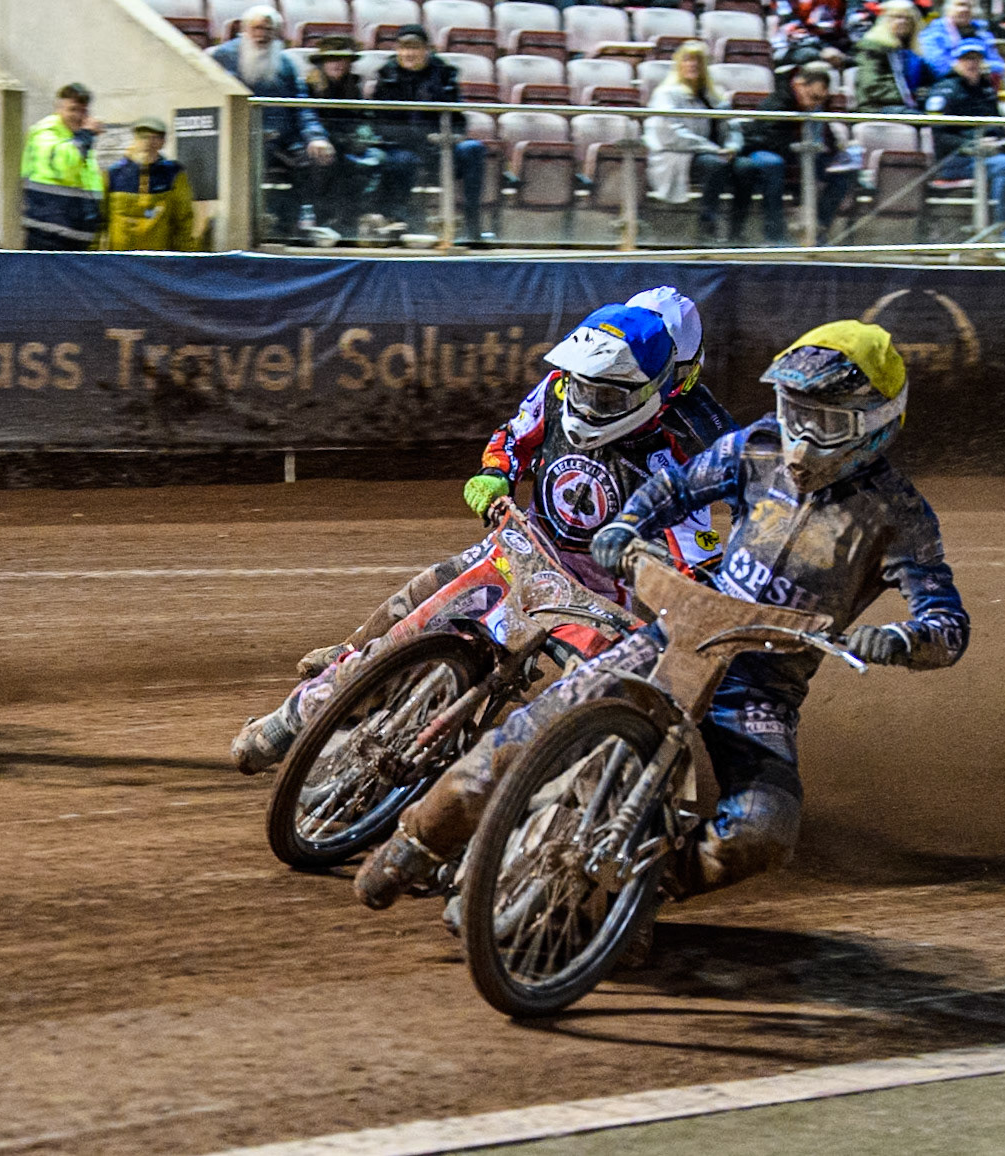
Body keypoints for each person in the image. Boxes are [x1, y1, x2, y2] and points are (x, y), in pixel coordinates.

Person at [354, 320, 970, 917]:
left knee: (764, 831)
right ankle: (414, 843)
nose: (802, 438)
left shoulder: (900, 517)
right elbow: (674, 488)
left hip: (761, 691)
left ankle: (640, 892)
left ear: (877, 426)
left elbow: (946, 623)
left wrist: (900, 639)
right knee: (528, 734)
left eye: (826, 422)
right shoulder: (756, 446)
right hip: (676, 636)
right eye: (794, 411)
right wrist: (627, 525)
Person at [232, 292, 736, 775]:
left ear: (662, 378)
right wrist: (495, 474)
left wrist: (685, 591)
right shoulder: (564, 386)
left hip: (601, 595)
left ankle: (553, 803)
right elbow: (514, 437)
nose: (585, 398)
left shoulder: (687, 449)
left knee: (605, 703)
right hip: (526, 543)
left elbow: (697, 557)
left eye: (603, 393)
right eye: (584, 385)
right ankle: (328, 687)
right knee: (419, 599)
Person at [211, 5, 335, 237]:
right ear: (245, 29)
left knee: (318, 159)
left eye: (269, 29)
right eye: (257, 28)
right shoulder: (224, 57)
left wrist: (317, 138)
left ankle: (297, 224)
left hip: (282, 139)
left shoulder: (285, 63)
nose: (262, 35)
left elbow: (302, 107)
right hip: (240, 138)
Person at [371, 24, 488, 243]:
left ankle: (473, 225)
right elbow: (379, 123)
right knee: (402, 161)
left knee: (473, 150)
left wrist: (452, 136)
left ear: (427, 49)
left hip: (440, 148)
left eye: (414, 48)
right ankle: (400, 225)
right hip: (402, 146)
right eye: (404, 48)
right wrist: (415, 138)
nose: (408, 54)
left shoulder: (444, 75)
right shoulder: (386, 76)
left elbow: (457, 119)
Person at [925, 41, 1005, 241]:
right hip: (957, 160)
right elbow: (940, 135)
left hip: (991, 153)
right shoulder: (945, 90)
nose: (972, 64)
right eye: (967, 59)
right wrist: (973, 146)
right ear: (957, 62)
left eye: (976, 58)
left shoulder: (986, 88)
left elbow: (995, 124)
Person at [734, 61, 853, 244]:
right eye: (814, 97)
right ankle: (774, 236)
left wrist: (835, 154)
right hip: (764, 151)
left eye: (822, 99)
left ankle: (817, 228)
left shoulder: (816, 106)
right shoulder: (777, 102)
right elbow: (767, 138)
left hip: (803, 155)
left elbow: (825, 137)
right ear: (798, 85)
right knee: (773, 164)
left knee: (843, 173)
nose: (817, 104)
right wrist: (797, 148)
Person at [645, 41, 742, 243]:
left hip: (713, 152)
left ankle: (737, 231)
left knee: (747, 168)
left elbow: (733, 126)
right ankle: (707, 224)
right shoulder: (666, 94)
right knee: (715, 165)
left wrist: (733, 146)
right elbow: (672, 135)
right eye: (688, 60)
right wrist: (713, 149)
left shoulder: (714, 96)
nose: (693, 65)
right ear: (679, 64)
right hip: (678, 154)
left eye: (698, 60)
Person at [304, 35, 382, 238]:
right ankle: (324, 223)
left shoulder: (353, 86)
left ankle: (349, 225)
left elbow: (362, 117)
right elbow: (307, 118)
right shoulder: (308, 86)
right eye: (332, 59)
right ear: (322, 62)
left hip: (348, 144)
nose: (338, 64)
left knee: (376, 161)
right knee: (329, 163)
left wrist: (362, 135)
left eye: (343, 59)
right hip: (317, 145)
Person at [21, 82, 105, 250]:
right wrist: (86, 134)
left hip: (76, 238)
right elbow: (65, 165)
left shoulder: (76, 140)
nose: (78, 116)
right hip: (48, 236)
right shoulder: (45, 134)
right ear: (58, 109)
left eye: (83, 111)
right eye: (73, 109)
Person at [101, 116, 198, 252]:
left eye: (155, 137)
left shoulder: (174, 174)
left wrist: (188, 257)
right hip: (121, 263)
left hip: (159, 263)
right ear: (135, 139)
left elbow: (184, 221)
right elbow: (100, 221)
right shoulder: (113, 174)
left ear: (162, 142)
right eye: (143, 137)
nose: (148, 142)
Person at [855, 0, 932, 111]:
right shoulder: (872, 47)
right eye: (897, 17)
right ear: (885, 20)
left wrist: (924, 95)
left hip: (908, 106)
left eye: (907, 18)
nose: (902, 22)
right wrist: (908, 96)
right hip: (877, 107)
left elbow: (926, 82)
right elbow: (871, 85)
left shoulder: (912, 51)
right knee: (923, 119)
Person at [919, 0, 1005, 82]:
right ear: (947, 9)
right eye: (960, 5)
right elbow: (938, 67)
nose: (965, 9)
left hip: (978, 88)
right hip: (945, 87)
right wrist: (975, 68)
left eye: (970, 6)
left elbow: (999, 66)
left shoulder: (982, 33)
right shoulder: (933, 33)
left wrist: (974, 68)